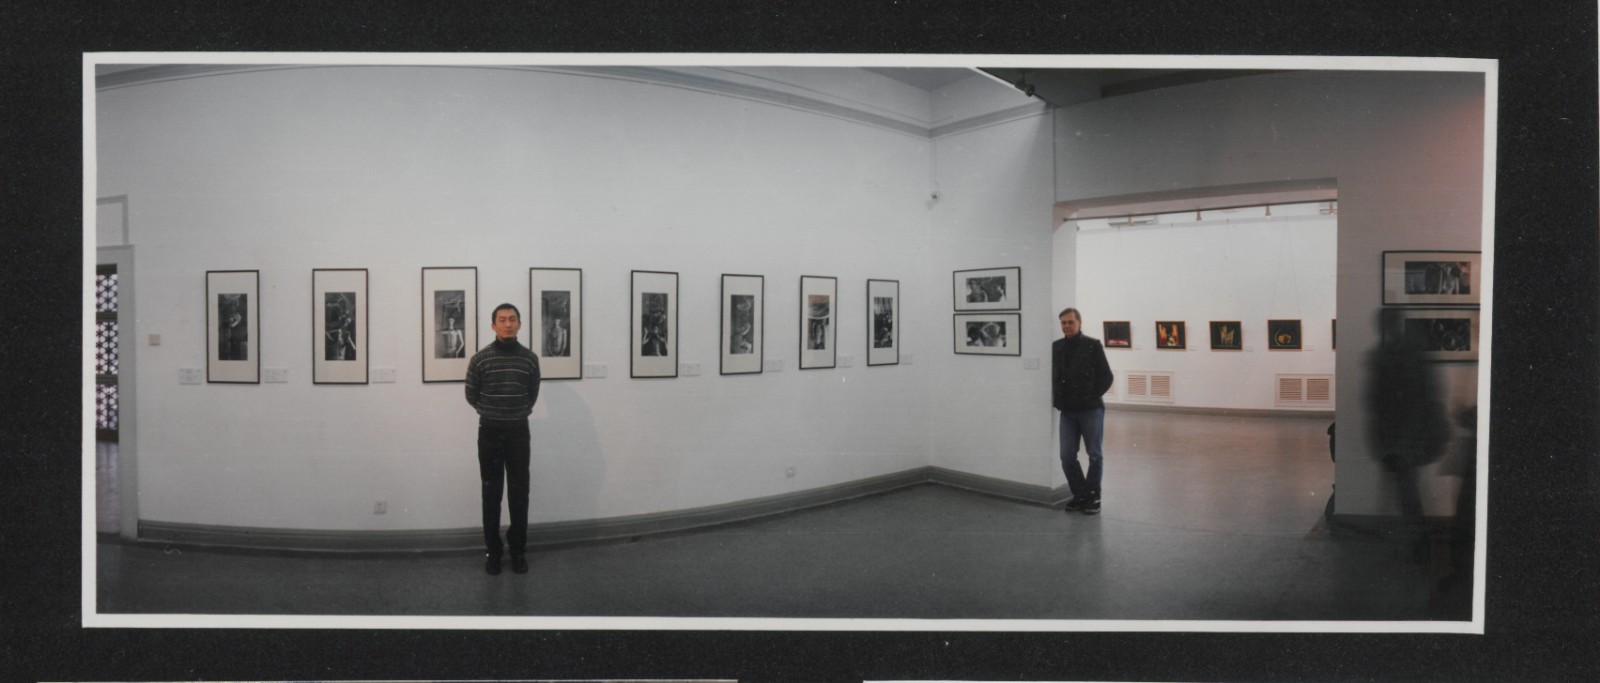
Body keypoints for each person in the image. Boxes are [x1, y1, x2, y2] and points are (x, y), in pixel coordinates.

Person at [465, 303, 542, 575]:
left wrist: (513, 413)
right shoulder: (480, 359)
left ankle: (518, 550)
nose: (507, 324)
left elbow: (532, 394)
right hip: (490, 432)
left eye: (512, 319)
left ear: (520, 324)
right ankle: (493, 552)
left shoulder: (529, 359)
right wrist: (494, 414)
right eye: (502, 320)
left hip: (519, 431)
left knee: (520, 492)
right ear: (493, 325)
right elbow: (471, 396)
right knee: (491, 491)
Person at [1052, 308, 1114, 515]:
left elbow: (1107, 376)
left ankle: (1094, 496)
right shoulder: (1057, 347)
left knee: (1094, 454)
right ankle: (1080, 495)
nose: (1066, 326)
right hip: (1068, 412)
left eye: (1070, 322)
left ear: (1079, 323)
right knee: (1066, 455)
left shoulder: (1092, 345)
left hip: (1090, 410)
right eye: (1063, 323)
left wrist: (1091, 395)